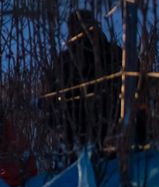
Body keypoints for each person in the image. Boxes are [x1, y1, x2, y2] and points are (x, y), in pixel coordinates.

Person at [42, 9, 122, 153]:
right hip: (117, 141)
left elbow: (51, 112)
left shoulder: (64, 62)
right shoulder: (117, 54)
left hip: (78, 145)